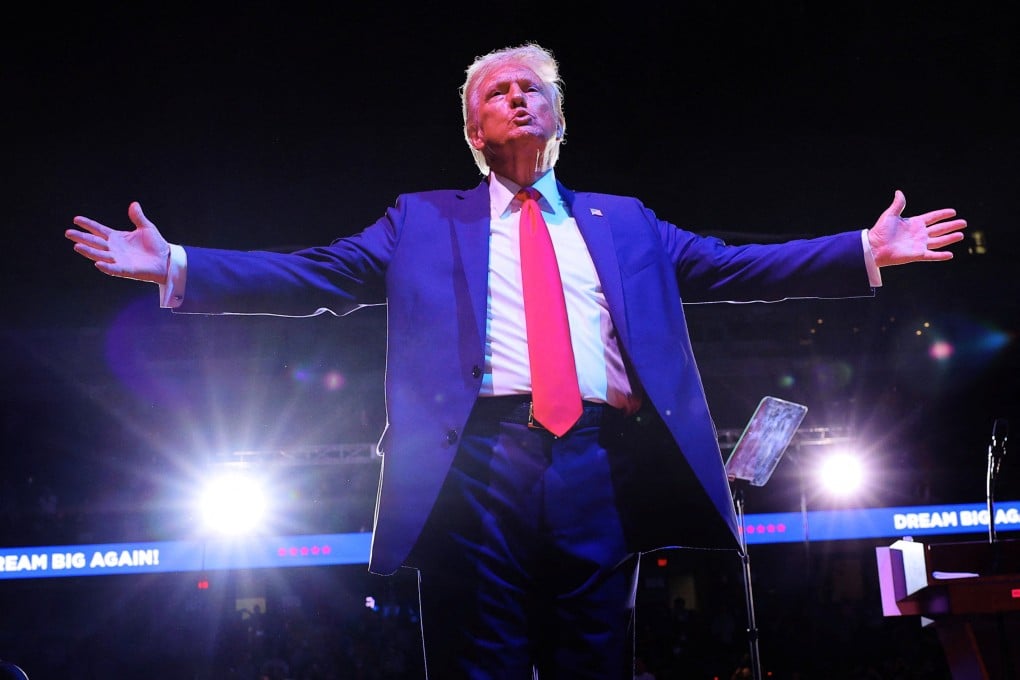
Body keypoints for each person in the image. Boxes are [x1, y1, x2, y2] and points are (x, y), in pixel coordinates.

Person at [65, 43, 966, 679]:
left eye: (535, 88)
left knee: (593, 655)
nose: (520, 98)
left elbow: (735, 268)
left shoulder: (628, 220)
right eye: (499, 91)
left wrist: (863, 249)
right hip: (476, 466)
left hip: (601, 463)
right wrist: (177, 266)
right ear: (473, 132)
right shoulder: (423, 219)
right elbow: (316, 274)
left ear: (561, 118)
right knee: (479, 659)